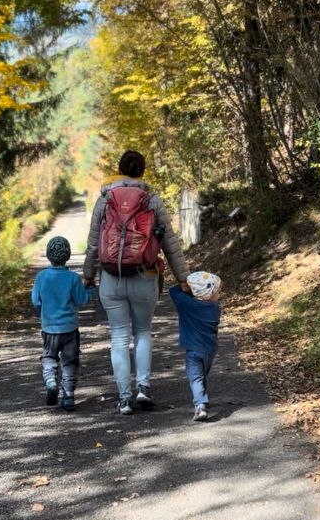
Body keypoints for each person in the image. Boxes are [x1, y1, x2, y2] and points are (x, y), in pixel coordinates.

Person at [83, 150, 190, 415]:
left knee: (119, 336)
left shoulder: (105, 199)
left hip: (111, 278)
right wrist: (183, 278)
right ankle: (143, 388)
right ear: (142, 171)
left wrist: (88, 275)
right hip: (145, 275)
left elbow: (94, 243)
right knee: (142, 331)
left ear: (119, 170)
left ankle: (124, 398)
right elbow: (170, 243)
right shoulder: (151, 200)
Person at [31, 236, 93, 411]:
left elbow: (35, 301)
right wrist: (89, 289)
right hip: (70, 329)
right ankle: (69, 395)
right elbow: (81, 300)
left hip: (49, 329)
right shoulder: (73, 278)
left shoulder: (41, 277)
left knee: (49, 357)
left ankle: (51, 381)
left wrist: (44, 312)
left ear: (48, 255)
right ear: (68, 255)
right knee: (70, 361)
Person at [170, 271, 222, 422]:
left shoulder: (186, 304)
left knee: (196, 378)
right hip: (210, 350)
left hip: (193, 350)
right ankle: (202, 398)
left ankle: (200, 405)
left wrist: (185, 287)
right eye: (217, 292)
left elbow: (173, 291)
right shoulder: (214, 309)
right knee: (202, 375)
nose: (218, 295)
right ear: (209, 294)